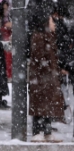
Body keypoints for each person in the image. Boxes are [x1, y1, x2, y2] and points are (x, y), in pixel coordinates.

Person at [29, 12, 64, 143]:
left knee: (48, 105)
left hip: (48, 77)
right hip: (41, 78)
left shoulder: (49, 36)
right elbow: (39, 58)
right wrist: (49, 69)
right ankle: (37, 131)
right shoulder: (39, 37)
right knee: (39, 105)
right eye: (51, 21)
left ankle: (47, 132)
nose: (54, 24)